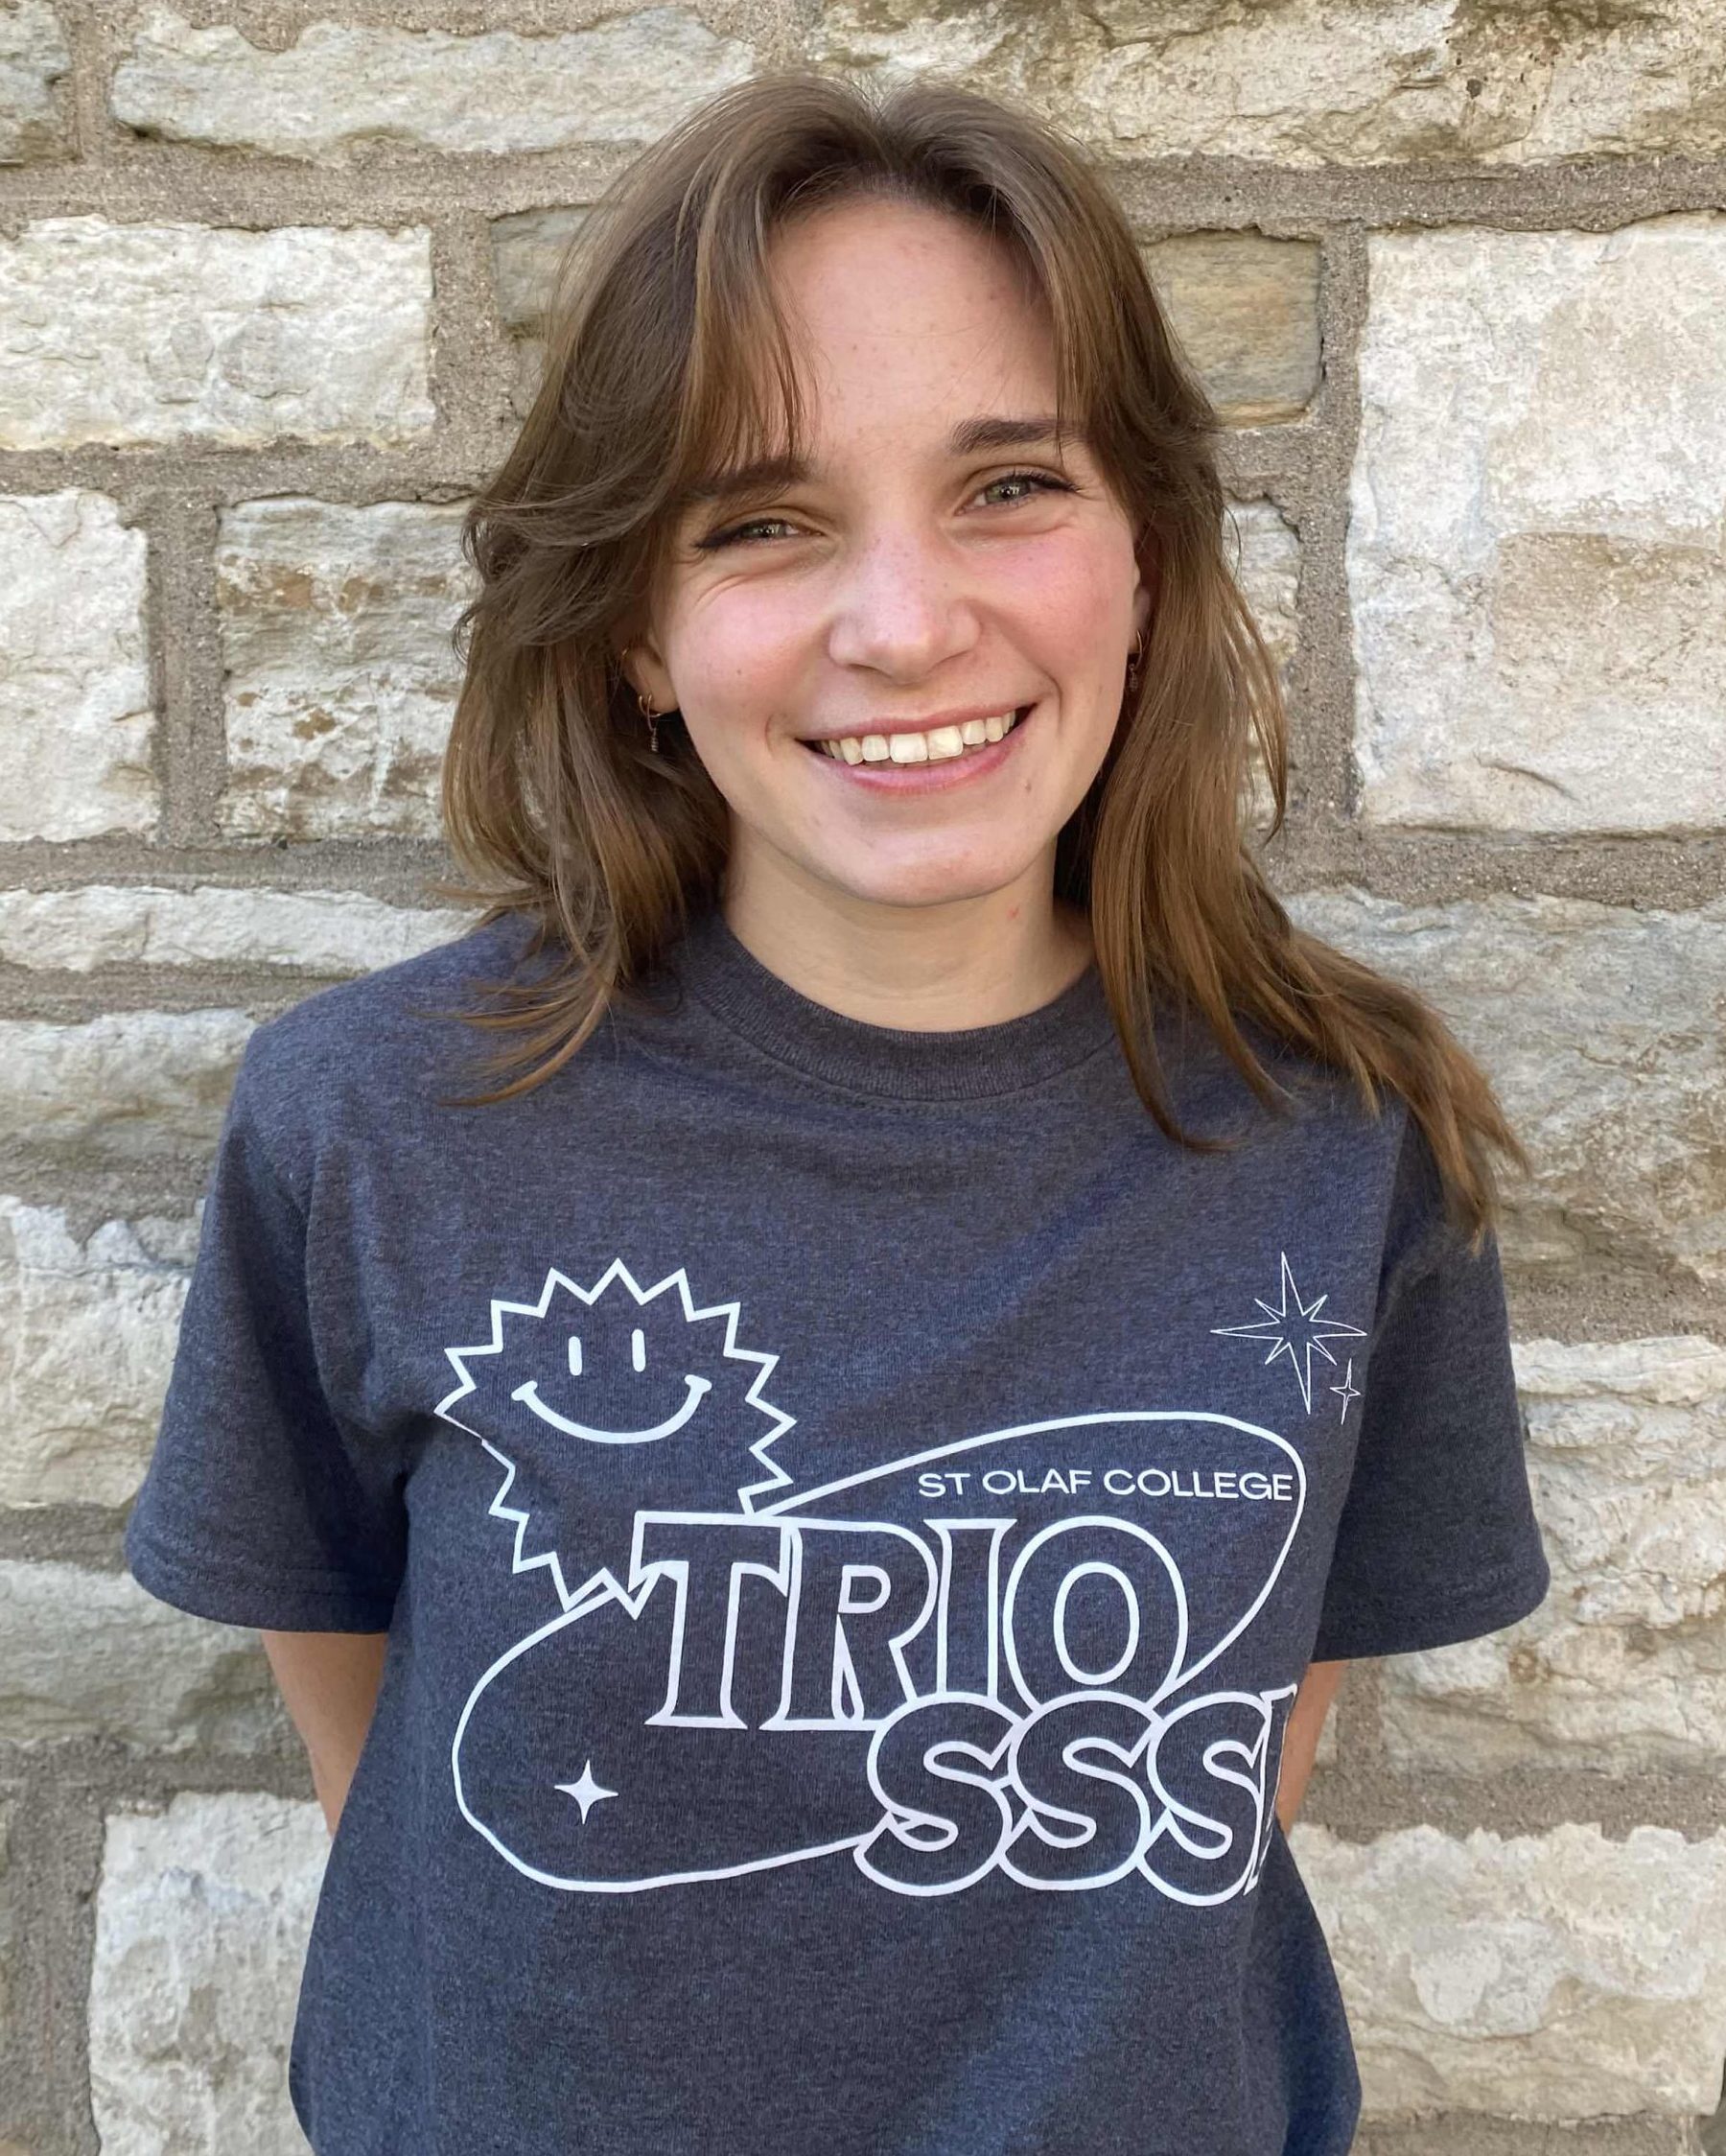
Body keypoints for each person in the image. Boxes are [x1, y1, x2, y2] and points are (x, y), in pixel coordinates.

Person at [123, 69, 1551, 2156]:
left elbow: (1230, 1781)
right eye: (764, 522)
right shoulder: (374, 1124)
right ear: (632, 626)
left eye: (1008, 487)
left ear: (1144, 553)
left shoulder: (1341, 1140)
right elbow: (378, 1716)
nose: (903, 625)